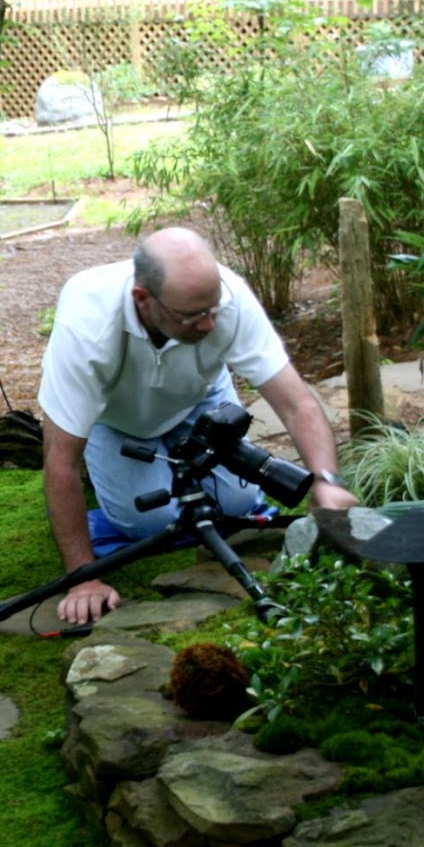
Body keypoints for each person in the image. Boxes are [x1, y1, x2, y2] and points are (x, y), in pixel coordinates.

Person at [37, 227, 359, 626]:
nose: (209, 325)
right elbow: (59, 460)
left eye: (214, 310)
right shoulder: (87, 328)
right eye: (193, 316)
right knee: (151, 523)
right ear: (144, 300)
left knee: (238, 506)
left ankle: (158, 468)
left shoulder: (229, 297)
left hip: (201, 398)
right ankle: (112, 485)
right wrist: (83, 578)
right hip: (116, 418)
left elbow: (296, 405)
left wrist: (327, 481)